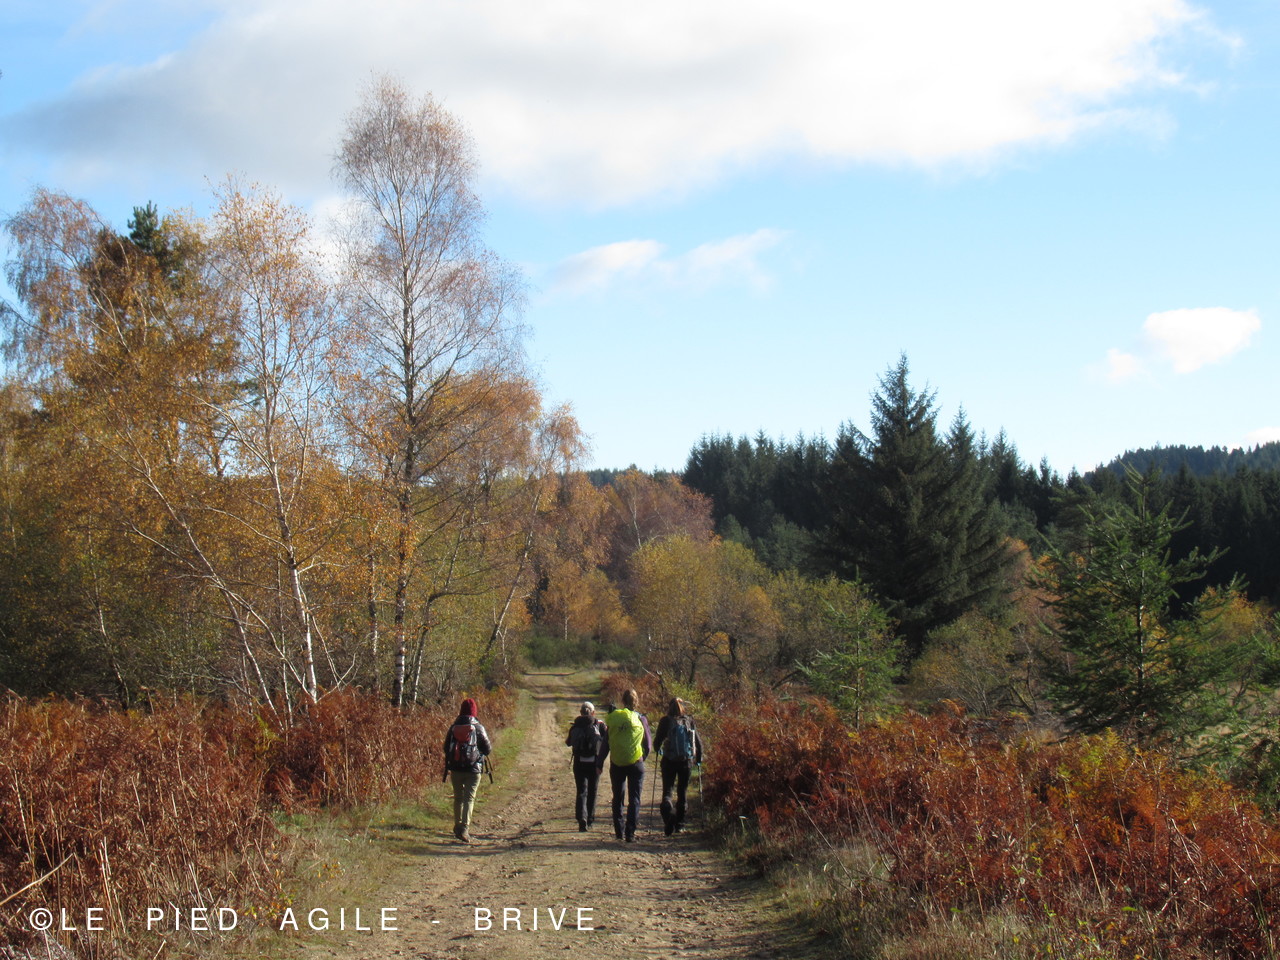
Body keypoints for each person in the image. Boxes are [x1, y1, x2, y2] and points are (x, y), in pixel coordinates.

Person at [442, 697, 492, 843]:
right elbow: (488, 749)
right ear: (474, 712)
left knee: (458, 798)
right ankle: (464, 828)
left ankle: (457, 826)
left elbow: (446, 748)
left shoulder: (453, 727)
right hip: (473, 769)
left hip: (456, 769)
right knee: (469, 798)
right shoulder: (478, 727)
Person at [604, 688, 651, 842]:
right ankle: (630, 833)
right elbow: (648, 745)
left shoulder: (614, 718)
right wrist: (642, 757)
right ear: (636, 701)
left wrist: (599, 762)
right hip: (636, 763)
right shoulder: (641, 718)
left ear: (623, 701)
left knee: (618, 797)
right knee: (634, 799)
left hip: (617, 763)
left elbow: (606, 742)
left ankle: (619, 831)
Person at [653, 698, 703, 836]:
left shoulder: (665, 721)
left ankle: (669, 815)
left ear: (669, 707)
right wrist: (699, 759)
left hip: (669, 761)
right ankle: (680, 825)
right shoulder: (689, 720)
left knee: (667, 791)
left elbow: (657, 742)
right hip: (686, 762)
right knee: (682, 792)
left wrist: (659, 750)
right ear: (682, 707)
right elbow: (698, 742)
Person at [565, 701, 609, 831]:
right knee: (593, 790)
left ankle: (581, 818)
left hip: (579, 762)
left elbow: (568, 742)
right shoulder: (599, 725)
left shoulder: (575, 725)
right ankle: (590, 819)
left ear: (581, 712)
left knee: (581, 790)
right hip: (594, 762)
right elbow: (607, 740)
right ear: (593, 712)